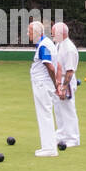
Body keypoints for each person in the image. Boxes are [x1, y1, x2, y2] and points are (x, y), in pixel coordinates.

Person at [28, 19, 59, 157]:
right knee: (45, 114)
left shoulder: (43, 46)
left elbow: (50, 67)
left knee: (44, 115)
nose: (27, 33)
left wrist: (56, 84)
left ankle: (49, 148)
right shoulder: (45, 43)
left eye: (29, 31)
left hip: (42, 85)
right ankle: (48, 146)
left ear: (35, 33)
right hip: (43, 84)